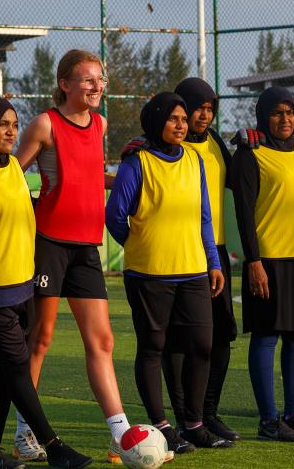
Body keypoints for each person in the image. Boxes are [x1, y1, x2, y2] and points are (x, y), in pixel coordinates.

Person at [0, 97, 93, 469]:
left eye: (15, 124)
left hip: (23, 285)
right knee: (16, 366)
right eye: (3, 125)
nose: (11, 131)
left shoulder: (14, 166)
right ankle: (53, 444)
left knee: (2, 367)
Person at [13, 50, 131, 463]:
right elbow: (11, 177)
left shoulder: (99, 124)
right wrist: (26, 216)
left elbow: (90, 174)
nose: (97, 87)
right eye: (87, 80)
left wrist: (130, 177)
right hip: (47, 244)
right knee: (39, 340)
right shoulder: (45, 124)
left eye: (100, 80)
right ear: (65, 84)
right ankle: (24, 432)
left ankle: (119, 433)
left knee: (102, 340)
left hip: (86, 246)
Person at [106, 92, 230, 453]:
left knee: (201, 346)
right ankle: (161, 426)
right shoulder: (137, 163)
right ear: (156, 121)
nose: (180, 125)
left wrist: (213, 262)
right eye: (173, 119)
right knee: (153, 347)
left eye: (182, 119)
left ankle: (193, 424)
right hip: (149, 274)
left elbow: (204, 218)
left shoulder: (194, 159)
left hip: (193, 271)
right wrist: (141, 244)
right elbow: (115, 216)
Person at [232, 87, 294, 442]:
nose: (285, 119)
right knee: (265, 337)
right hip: (269, 260)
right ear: (264, 117)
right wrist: (254, 262)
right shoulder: (250, 154)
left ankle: (293, 415)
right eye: (277, 113)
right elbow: (244, 214)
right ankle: (268, 421)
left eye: (290, 112)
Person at [160, 77, 238, 441]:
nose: (204, 116)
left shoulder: (216, 143)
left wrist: (254, 144)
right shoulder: (163, 147)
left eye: (210, 109)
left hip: (215, 253)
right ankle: (183, 419)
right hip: (180, 254)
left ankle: (207, 414)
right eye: (198, 108)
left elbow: (240, 181)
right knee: (179, 340)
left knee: (220, 336)